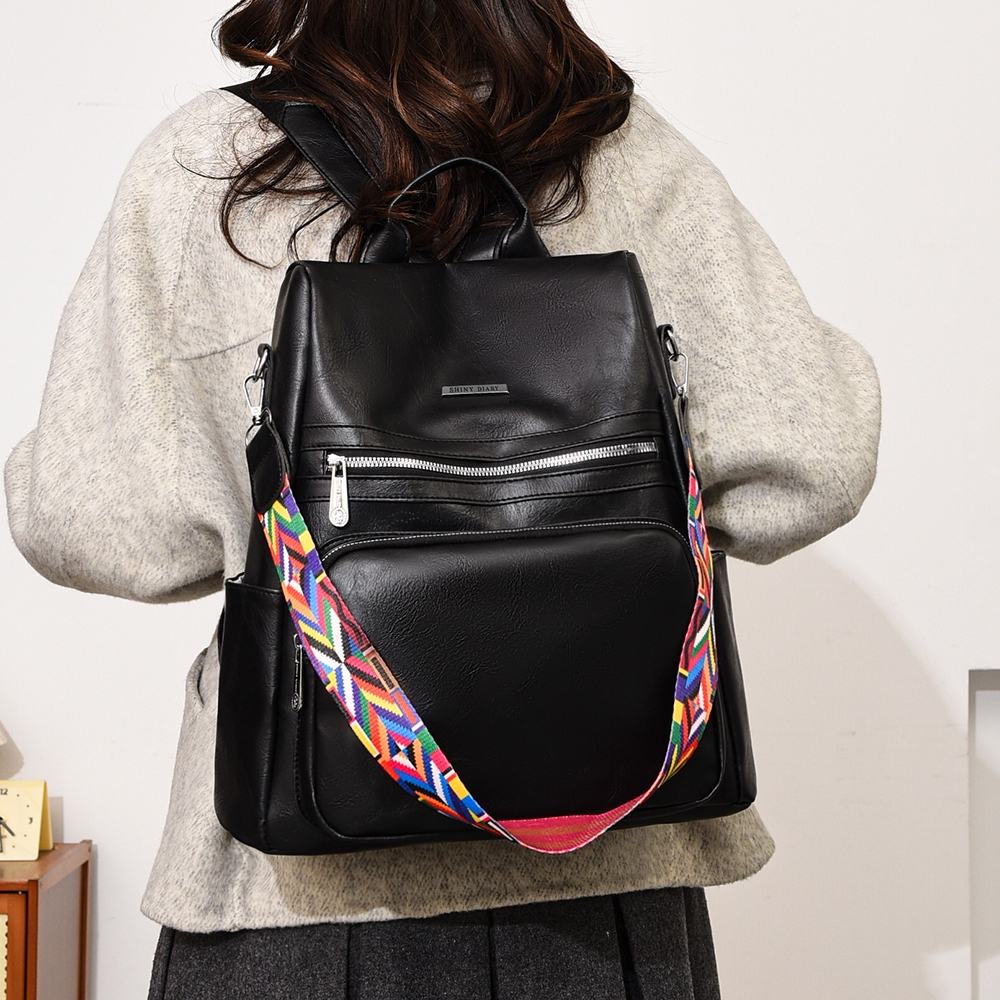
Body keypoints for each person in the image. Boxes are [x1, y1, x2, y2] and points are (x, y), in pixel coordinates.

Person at [4, 0, 881, 997]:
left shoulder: (213, 163)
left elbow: (101, 527)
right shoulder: (616, 147)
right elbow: (812, 463)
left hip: (300, 901)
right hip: (607, 880)